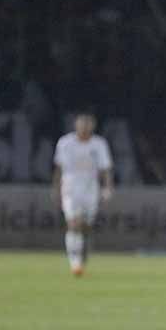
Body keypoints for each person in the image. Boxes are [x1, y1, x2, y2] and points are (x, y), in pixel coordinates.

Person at [53, 113, 114, 275]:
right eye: (82, 125)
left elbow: (105, 169)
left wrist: (107, 187)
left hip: (90, 189)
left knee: (86, 227)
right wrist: (56, 190)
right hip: (71, 189)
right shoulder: (65, 143)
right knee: (74, 224)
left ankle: (82, 254)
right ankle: (75, 264)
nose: (85, 128)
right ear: (76, 126)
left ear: (92, 127)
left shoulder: (99, 144)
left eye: (88, 126)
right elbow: (59, 169)